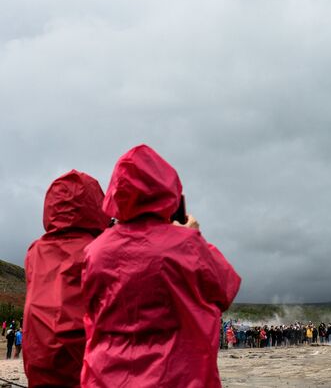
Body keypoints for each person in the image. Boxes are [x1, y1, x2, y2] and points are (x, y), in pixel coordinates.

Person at [81, 145, 241, 387]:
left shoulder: (95, 251)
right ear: (169, 192)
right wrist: (195, 239)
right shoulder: (185, 245)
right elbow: (225, 289)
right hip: (178, 377)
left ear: (116, 193)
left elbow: (91, 309)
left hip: (106, 377)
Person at [23, 170, 110, 386]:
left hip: (38, 361)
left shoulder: (35, 251)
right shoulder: (99, 250)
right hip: (80, 364)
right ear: (96, 205)